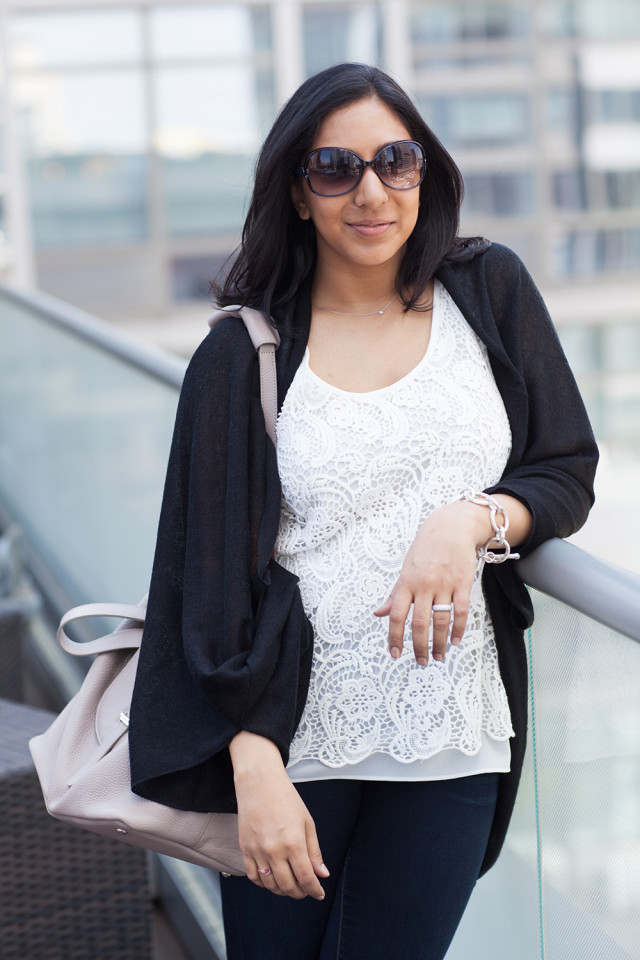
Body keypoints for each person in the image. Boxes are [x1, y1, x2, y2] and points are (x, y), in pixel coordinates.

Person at [129, 63, 598, 960]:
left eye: (397, 160)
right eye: (336, 169)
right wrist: (252, 761)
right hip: (289, 740)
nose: (372, 191)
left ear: (426, 171)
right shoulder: (242, 351)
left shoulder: (488, 290)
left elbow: (566, 468)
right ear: (298, 194)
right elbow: (206, 578)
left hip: (453, 728)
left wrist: (467, 521)